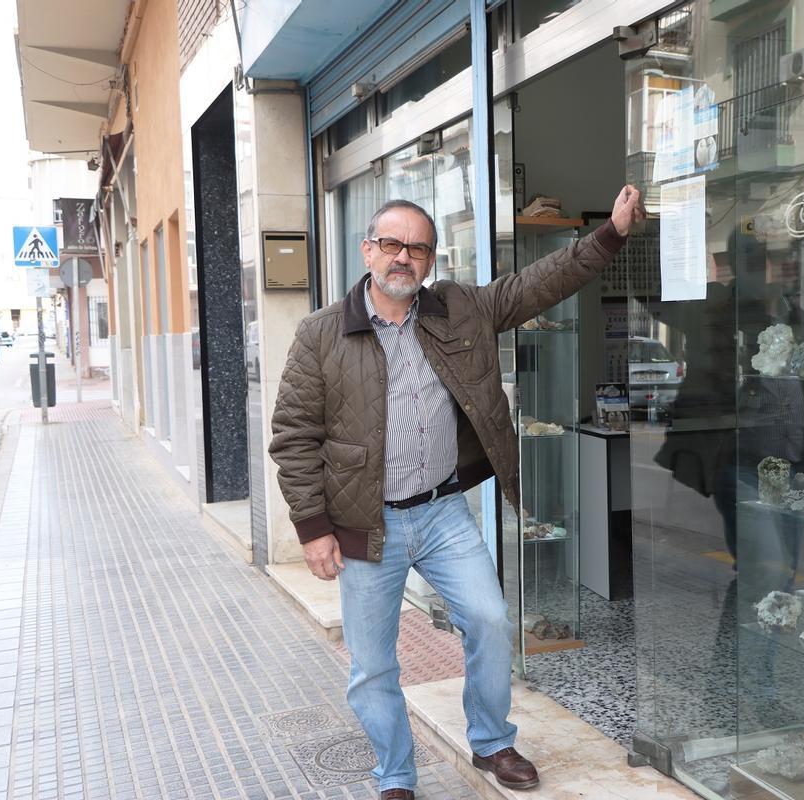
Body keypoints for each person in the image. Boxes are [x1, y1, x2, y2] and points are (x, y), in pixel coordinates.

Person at [269, 185, 644, 800]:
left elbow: (538, 283)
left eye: (418, 248)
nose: (403, 258)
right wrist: (312, 529)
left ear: (431, 261)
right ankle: (395, 775)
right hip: (366, 525)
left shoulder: (459, 309)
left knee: (491, 621)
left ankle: (492, 741)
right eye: (391, 244)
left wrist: (611, 234)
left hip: (443, 511)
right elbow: (293, 437)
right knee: (373, 666)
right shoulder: (321, 334)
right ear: (368, 250)